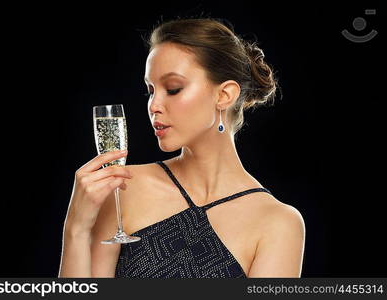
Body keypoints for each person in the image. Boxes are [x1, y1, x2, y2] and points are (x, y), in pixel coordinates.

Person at [59, 17, 305, 278]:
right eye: (150, 90)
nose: (154, 105)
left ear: (224, 95)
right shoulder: (123, 187)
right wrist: (75, 229)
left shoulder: (278, 223)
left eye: (173, 89)